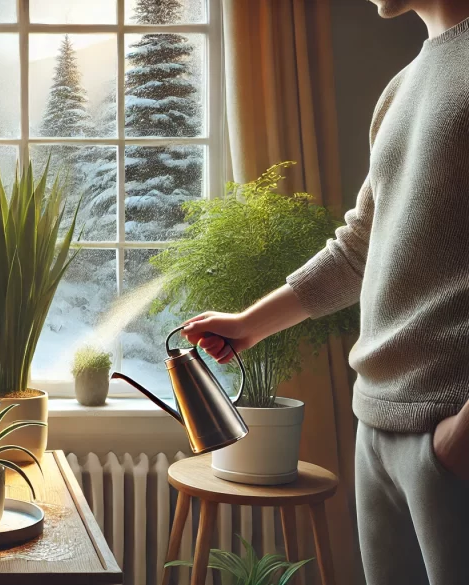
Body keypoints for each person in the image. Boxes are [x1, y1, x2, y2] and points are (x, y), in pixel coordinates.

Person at [180, 1, 469, 583]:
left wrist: (457, 442)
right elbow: (360, 246)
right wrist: (250, 324)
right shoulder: (404, 85)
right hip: (378, 428)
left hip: (449, 436)